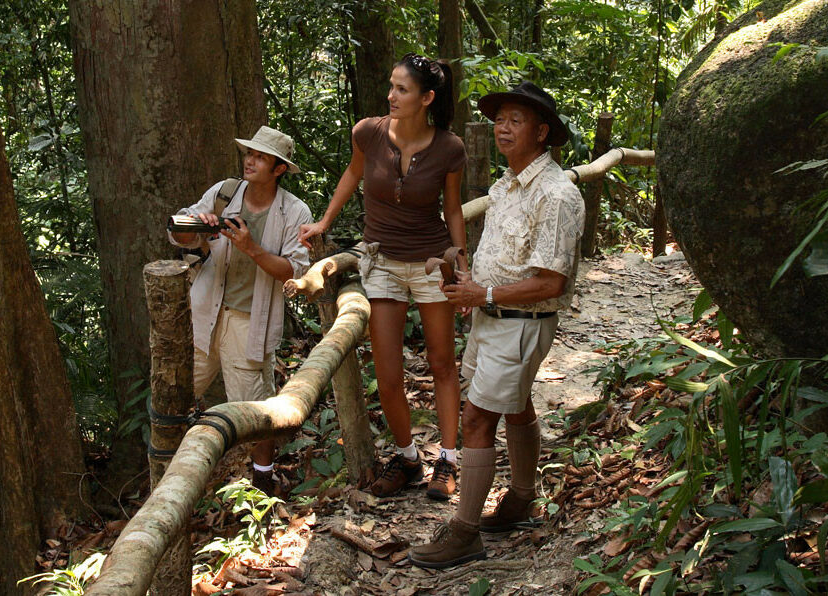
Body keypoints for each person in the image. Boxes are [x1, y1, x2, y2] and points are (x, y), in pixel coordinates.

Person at [408, 82, 585, 568]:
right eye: (499, 119)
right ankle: (522, 498)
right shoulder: (507, 184)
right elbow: (510, 259)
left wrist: (482, 293)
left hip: (520, 323)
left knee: (477, 418)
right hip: (494, 317)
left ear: (542, 132)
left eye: (515, 120)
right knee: (514, 403)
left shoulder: (556, 194)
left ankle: (464, 533)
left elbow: (550, 282)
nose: (502, 128)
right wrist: (469, 282)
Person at [298, 53, 468, 500]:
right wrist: (324, 223)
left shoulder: (449, 147)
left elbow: (451, 209)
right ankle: (409, 458)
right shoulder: (368, 133)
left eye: (402, 90)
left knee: (442, 364)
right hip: (383, 262)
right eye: (391, 87)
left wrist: (461, 263)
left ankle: (448, 462)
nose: (391, 96)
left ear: (427, 98)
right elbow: (353, 173)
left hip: (431, 262)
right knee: (388, 372)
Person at [169, 126, 312, 497]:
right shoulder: (224, 193)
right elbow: (180, 233)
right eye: (249, 153)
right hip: (204, 312)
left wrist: (252, 248)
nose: (250, 161)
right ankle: (166, 474)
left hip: (249, 321)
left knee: (254, 408)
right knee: (175, 391)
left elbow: (294, 270)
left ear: (279, 168)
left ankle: (262, 480)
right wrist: (194, 228)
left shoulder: (294, 211)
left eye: (260, 157)